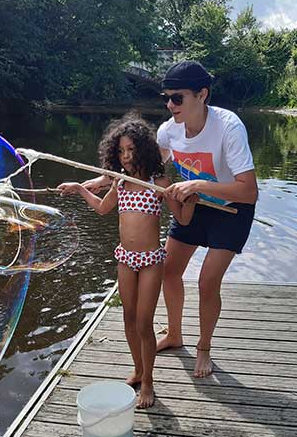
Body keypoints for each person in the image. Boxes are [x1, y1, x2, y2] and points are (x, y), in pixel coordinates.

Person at [85, 61, 258, 378]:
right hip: (191, 204)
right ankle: (175, 333)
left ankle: (203, 347)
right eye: (167, 97)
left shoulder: (228, 127)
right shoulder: (169, 130)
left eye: (177, 98)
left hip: (231, 209)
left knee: (207, 281)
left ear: (201, 94)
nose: (169, 105)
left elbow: (250, 192)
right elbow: (142, 170)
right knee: (168, 270)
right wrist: (104, 180)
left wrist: (199, 184)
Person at [58, 114, 197, 409]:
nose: (126, 156)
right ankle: (138, 369)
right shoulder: (120, 183)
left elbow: (183, 219)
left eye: (131, 150)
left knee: (145, 323)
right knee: (128, 318)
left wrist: (190, 200)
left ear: (144, 149)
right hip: (125, 258)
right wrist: (80, 189)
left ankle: (148, 382)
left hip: (150, 261)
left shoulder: (158, 183)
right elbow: (101, 209)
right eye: (120, 151)